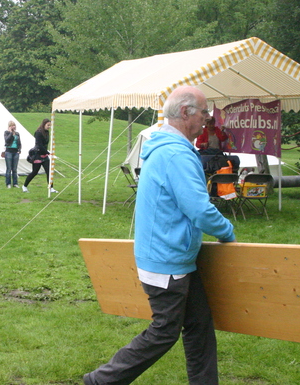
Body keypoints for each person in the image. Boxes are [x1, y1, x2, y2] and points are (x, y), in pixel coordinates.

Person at [83, 86, 236, 385]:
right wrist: (228, 234)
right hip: (167, 262)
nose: (208, 118)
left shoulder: (167, 147)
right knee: (164, 332)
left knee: (198, 325)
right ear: (185, 113)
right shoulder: (175, 155)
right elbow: (200, 210)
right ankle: (100, 381)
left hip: (173, 258)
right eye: (204, 112)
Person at [22, 118, 57, 193]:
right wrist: (47, 152)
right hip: (38, 155)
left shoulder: (47, 132)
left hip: (45, 156)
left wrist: (47, 152)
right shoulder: (38, 133)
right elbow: (39, 144)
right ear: (44, 124)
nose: (49, 127)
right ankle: (24, 186)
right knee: (34, 172)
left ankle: (51, 188)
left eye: (50, 125)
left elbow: (45, 144)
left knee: (49, 171)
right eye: (48, 125)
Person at [4, 121, 21, 188]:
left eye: (14, 125)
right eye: (12, 126)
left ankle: (15, 183)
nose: (14, 127)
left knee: (14, 168)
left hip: (15, 152)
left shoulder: (17, 134)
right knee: (9, 168)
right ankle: (8, 183)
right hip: (8, 151)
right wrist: (11, 133)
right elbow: (7, 140)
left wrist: (19, 150)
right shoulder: (6, 133)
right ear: (9, 126)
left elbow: (19, 143)